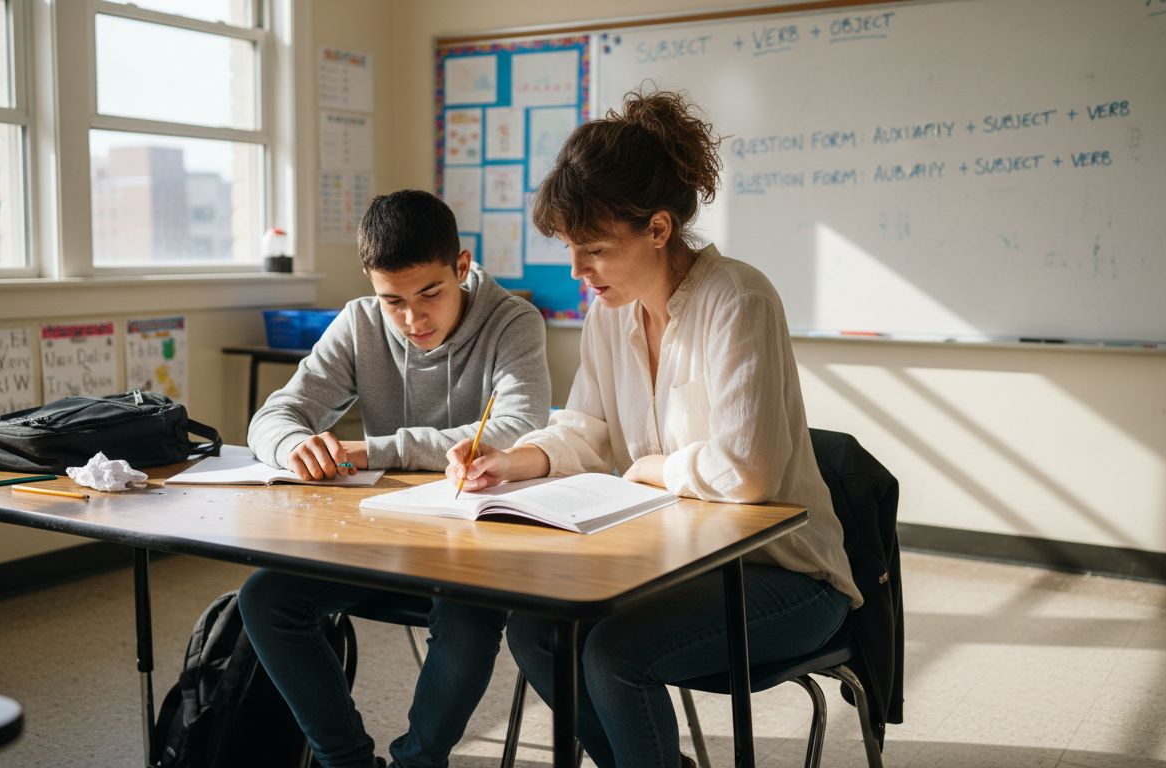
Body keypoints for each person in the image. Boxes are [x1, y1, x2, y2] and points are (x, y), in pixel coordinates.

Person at [446, 90, 862, 768]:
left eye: (595, 250)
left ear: (659, 229)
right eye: (571, 249)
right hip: (680, 564)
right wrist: (511, 460)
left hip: (785, 576)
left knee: (615, 654)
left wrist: (653, 468)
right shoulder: (611, 313)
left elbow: (747, 473)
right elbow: (589, 429)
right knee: (536, 633)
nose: (578, 271)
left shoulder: (738, 300)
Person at [240, 189, 551, 768]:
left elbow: (519, 427)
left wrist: (373, 451)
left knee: (467, 615)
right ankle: (345, 761)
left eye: (430, 293)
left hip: (480, 546)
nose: (413, 319)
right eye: (393, 301)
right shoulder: (360, 322)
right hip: (389, 539)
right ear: (372, 285)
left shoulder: (513, 321)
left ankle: (418, 763)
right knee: (265, 597)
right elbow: (274, 415)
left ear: (461, 266)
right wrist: (295, 445)